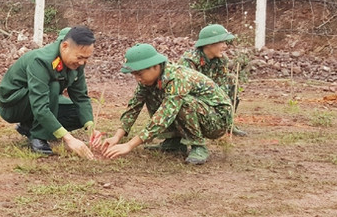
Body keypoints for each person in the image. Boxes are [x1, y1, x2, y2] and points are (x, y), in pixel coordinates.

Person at [92, 43, 232, 165]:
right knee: (153, 95)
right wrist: (117, 137)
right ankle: (173, 141)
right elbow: (134, 105)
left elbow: (165, 115)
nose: (137, 79)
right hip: (202, 113)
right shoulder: (150, 81)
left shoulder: (177, 78)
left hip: (217, 120)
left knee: (182, 103)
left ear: (155, 66)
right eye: (134, 75)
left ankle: (198, 145)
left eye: (139, 74)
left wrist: (129, 145)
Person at [0, 26, 97, 158]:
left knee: (80, 115)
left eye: (86, 58)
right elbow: (40, 106)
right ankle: (39, 136)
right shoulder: (41, 61)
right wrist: (69, 139)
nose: (83, 62)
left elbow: (81, 97)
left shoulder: (76, 63)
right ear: (65, 46)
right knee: (53, 85)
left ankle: (29, 126)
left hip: (40, 100)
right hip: (14, 105)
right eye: (80, 57)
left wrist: (91, 128)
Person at [179, 24, 247, 136]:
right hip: (194, 101)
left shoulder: (221, 60)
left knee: (231, 82)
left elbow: (221, 86)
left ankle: (228, 123)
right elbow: (185, 90)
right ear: (209, 44)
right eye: (222, 42)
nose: (225, 46)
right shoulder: (189, 61)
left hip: (210, 96)